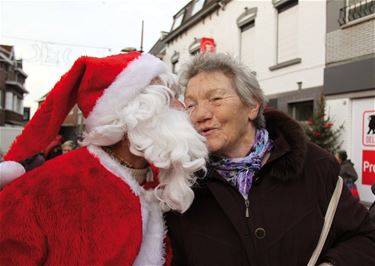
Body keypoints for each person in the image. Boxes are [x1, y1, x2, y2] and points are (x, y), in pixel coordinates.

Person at [165, 53, 375, 266]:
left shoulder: (314, 165)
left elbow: (365, 239)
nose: (200, 115)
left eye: (216, 99)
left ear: (252, 106)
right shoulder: (181, 186)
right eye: (190, 105)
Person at [0, 52, 208, 265]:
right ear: (131, 115)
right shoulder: (42, 191)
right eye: (167, 98)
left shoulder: (160, 185)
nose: (180, 108)